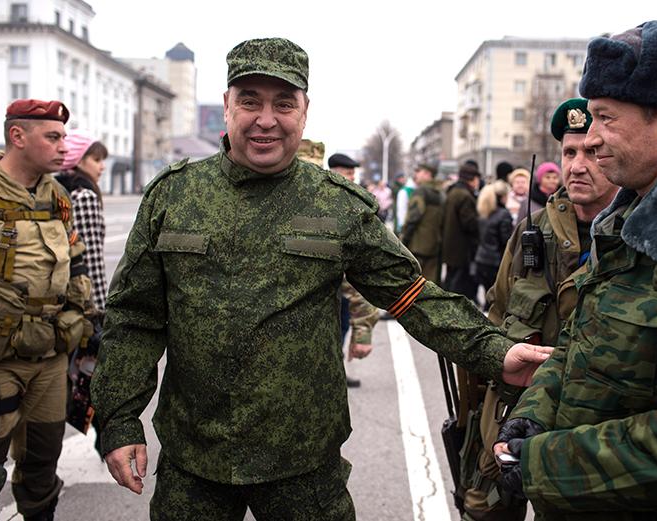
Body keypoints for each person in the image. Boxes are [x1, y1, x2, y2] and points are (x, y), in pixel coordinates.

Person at [90, 37, 550, 521]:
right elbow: (135, 318)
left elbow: (413, 296)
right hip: (194, 462)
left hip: (303, 464)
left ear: (304, 112)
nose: (266, 119)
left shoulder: (336, 204)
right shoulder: (174, 196)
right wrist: (119, 421)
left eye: (283, 103)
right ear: (227, 106)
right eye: (250, 101)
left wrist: (495, 351)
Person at [494, 21, 657, 520]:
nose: (590, 140)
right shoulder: (626, 222)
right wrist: (531, 418)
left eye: (605, 119)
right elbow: (576, 346)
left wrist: (543, 464)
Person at [458, 98, 617, 521]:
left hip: (584, 424)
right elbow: (498, 310)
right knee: (483, 509)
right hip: (511, 407)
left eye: (593, 152)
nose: (578, 165)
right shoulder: (532, 230)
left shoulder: (636, 235)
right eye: (569, 152)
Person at [0, 100, 93, 520]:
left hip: (50, 357)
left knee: (41, 469)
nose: (63, 147)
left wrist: (84, 323)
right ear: (17, 136)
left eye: (64, 137)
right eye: (52, 137)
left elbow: (77, 262)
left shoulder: (57, 195)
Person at [54, 132, 109, 453]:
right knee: (90, 373)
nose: (101, 166)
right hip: (87, 302)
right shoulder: (85, 195)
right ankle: (103, 437)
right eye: (95, 159)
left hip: (64, 300)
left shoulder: (59, 189)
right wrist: (98, 307)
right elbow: (89, 259)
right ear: (78, 160)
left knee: (77, 373)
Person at [326, 151, 381, 388]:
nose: (352, 178)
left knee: (341, 328)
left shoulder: (349, 201)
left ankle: (335, 372)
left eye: (352, 174)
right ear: (334, 171)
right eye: (348, 173)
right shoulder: (329, 202)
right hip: (337, 290)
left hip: (344, 292)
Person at [442, 163, 481, 303]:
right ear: (472, 179)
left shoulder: (452, 192)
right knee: (457, 283)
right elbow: (469, 223)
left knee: (451, 278)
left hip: (451, 243)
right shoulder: (465, 195)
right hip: (461, 246)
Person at [401, 163, 444, 283]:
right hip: (435, 245)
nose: (416, 175)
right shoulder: (440, 193)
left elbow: (413, 218)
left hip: (417, 246)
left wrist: (404, 239)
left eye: (419, 171)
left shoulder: (420, 191)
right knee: (431, 283)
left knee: (414, 284)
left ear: (427, 174)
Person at [473, 180, 514, 307]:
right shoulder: (504, 214)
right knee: (496, 300)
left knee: (487, 297)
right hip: (496, 262)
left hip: (482, 259)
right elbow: (506, 240)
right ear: (502, 197)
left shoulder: (484, 212)